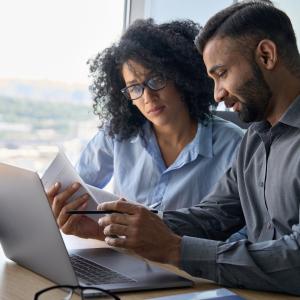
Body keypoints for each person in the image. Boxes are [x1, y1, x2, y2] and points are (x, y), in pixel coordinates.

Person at [57, 0, 300, 295]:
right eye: (212, 79)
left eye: (222, 74)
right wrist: (118, 230)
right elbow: (214, 215)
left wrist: (178, 250)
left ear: (266, 55)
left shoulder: (241, 138)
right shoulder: (256, 139)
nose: (218, 94)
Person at [48, 18, 243, 214]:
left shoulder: (234, 145)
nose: (148, 97)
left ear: (181, 78)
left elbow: (244, 229)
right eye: (134, 88)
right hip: (113, 245)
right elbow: (75, 188)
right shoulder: (116, 136)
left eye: (156, 79)